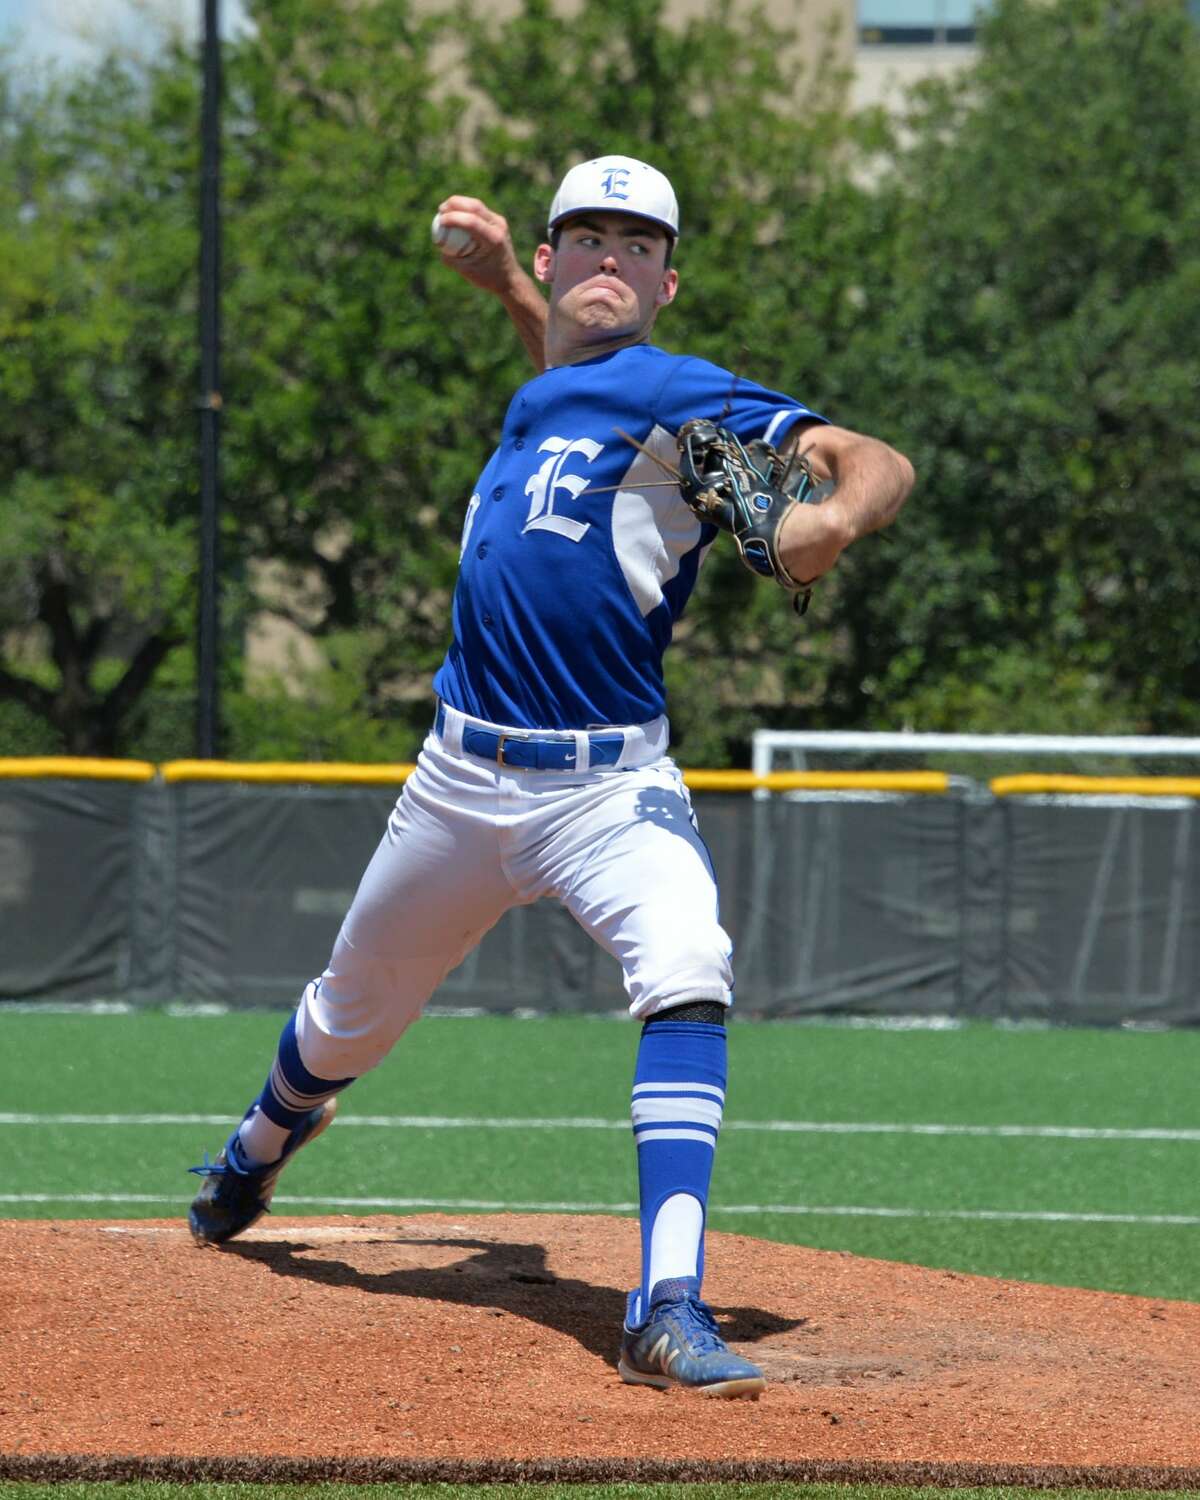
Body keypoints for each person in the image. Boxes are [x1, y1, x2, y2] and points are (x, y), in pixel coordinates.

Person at [188, 155, 915, 1399]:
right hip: (458, 780)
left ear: (667, 282)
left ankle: (667, 1306)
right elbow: (570, 374)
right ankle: (254, 1154)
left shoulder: (686, 395)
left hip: (606, 788)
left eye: (637, 245)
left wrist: (831, 519)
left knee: (690, 963)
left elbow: (873, 457)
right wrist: (494, 297)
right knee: (348, 1016)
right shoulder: (550, 396)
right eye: (586, 236)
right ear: (549, 261)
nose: (610, 259)